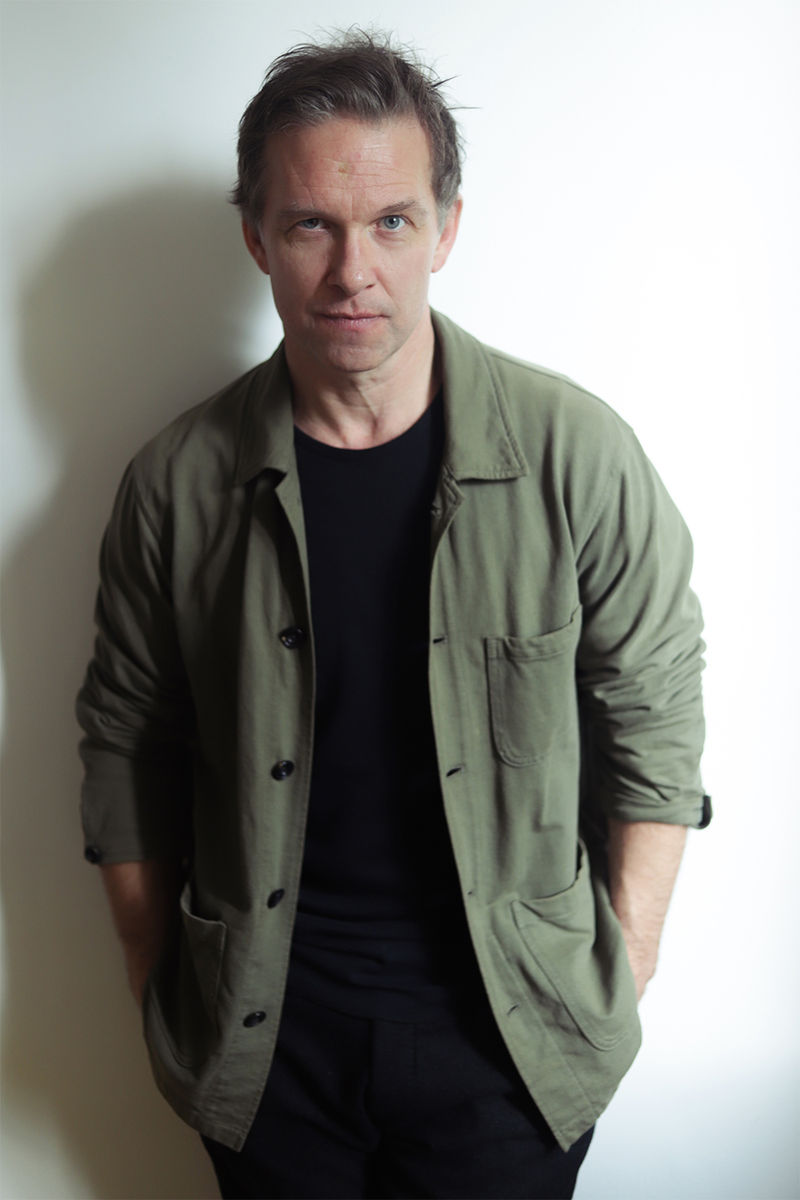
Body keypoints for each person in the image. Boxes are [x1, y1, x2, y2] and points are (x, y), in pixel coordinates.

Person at [76, 31, 710, 1200]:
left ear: (446, 229)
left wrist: (623, 960)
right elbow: (126, 740)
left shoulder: (576, 455)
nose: (351, 270)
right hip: (267, 1052)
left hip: (512, 1046)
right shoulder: (176, 484)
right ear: (255, 236)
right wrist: (156, 973)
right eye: (310, 225)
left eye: (391, 222)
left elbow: (653, 713)